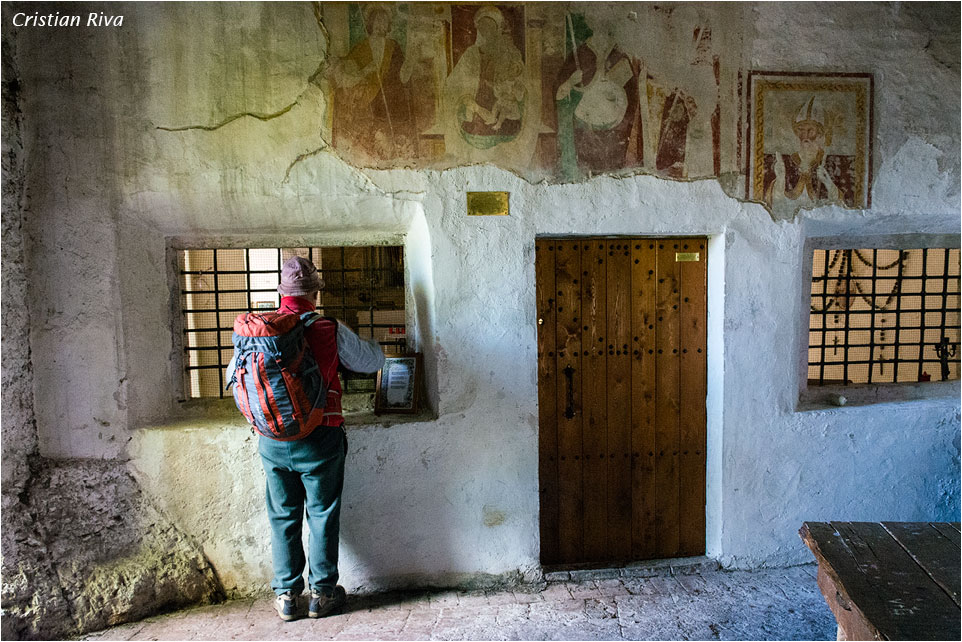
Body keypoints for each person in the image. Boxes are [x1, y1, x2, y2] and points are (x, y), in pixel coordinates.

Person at [263, 256, 385, 621]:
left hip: (273, 439)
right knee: (322, 514)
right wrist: (377, 344)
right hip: (321, 436)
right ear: (315, 293)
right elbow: (370, 361)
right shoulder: (326, 326)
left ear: (280, 293)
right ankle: (322, 594)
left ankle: (286, 596)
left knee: (283, 516)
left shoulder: (261, 328)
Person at [765, 96, 849, 208]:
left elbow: (843, 207)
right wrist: (780, 180)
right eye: (801, 130)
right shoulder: (786, 162)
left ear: (819, 133)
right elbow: (775, 205)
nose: (805, 136)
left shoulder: (832, 163)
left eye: (810, 131)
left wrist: (828, 183)